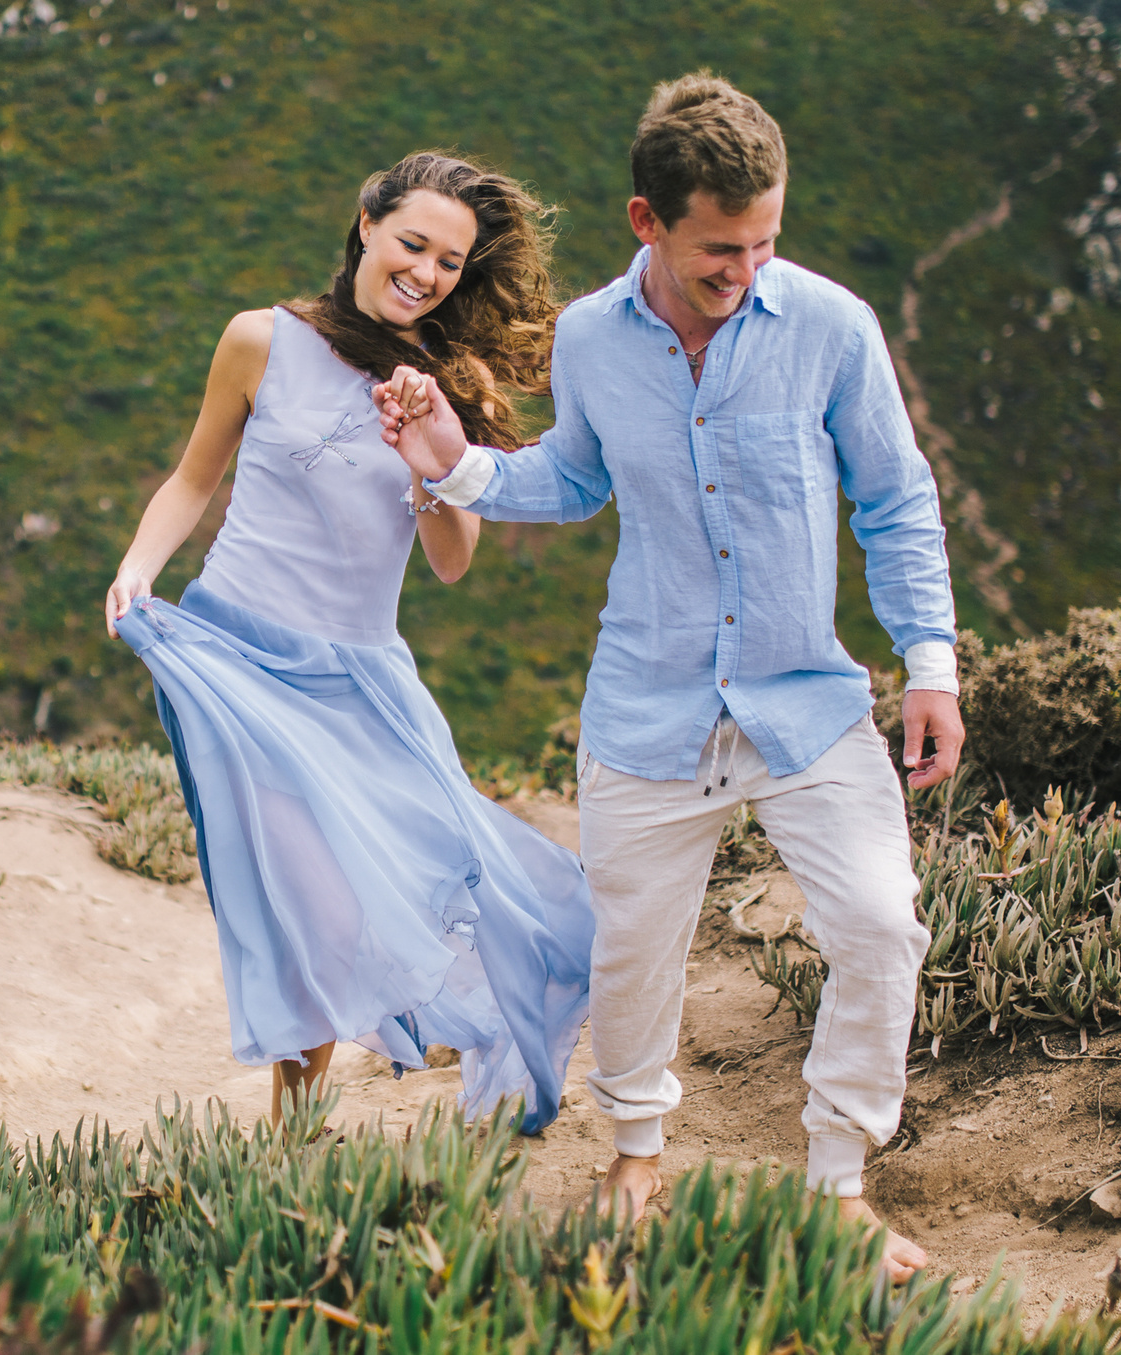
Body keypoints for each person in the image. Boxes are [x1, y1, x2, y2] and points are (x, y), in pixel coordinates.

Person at [375, 74, 962, 1281]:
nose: (742, 267)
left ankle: (836, 1185)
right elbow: (575, 481)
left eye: (763, 242)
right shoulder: (592, 337)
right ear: (648, 221)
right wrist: (460, 466)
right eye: (716, 248)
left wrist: (930, 667)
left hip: (806, 699)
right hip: (647, 699)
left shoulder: (833, 328)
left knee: (880, 925)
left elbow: (896, 502)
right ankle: (632, 1159)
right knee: (634, 946)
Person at [104, 151, 598, 1130]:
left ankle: (324, 1101)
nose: (426, 272)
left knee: (401, 897)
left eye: (450, 262)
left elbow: (453, 561)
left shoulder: (442, 387)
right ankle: (295, 1130)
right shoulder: (259, 341)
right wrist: (137, 568)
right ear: (366, 224)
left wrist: (427, 458)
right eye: (413, 243)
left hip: (358, 684)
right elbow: (194, 478)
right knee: (301, 911)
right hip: (236, 657)